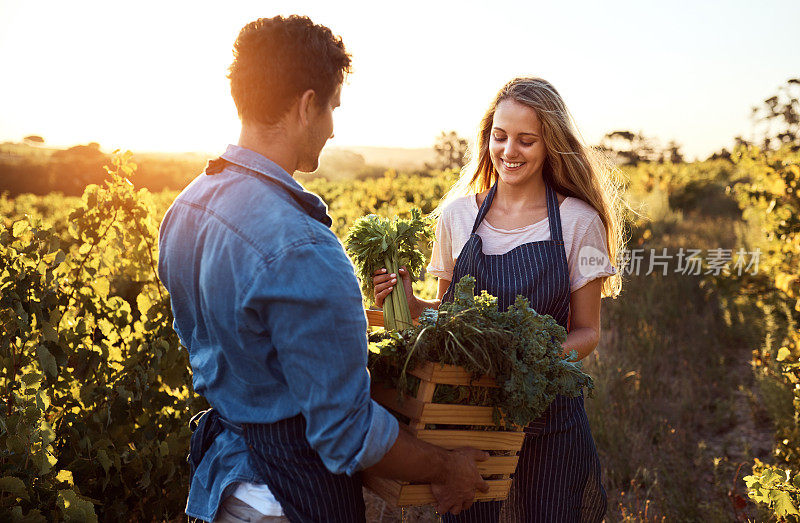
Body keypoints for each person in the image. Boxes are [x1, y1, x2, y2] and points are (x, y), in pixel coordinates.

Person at [158, 15, 488, 523]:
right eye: (333, 107)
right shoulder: (305, 247)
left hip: (221, 490)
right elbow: (345, 433)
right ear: (307, 104)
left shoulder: (187, 208)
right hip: (284, 502)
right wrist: (447, 468)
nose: (333, 127)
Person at [374, 76, 625, 522]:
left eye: (526, 140)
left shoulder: (579, 221)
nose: (509, 151)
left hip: (548, 422)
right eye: (500, 136)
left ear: (551, 145)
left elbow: (587, 332)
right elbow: (450, 318)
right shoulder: (457, 217)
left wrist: (526, 361)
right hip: (468, 427)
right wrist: (414, 308)